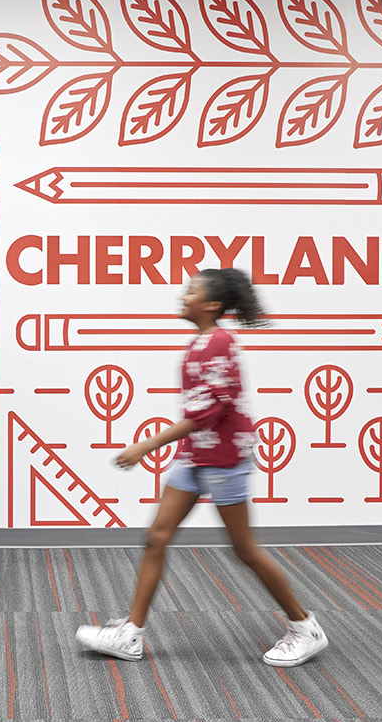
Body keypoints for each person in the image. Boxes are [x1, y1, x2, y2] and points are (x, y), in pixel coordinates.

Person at [75, 268, 328, 667]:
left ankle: (305, 627)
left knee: (243, 550)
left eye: (191, 291)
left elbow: (208, 413)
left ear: (211, 304)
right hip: (195, 456)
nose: (183, 296)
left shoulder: (220, 342)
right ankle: (131, 635)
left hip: (225, 459)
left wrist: (145, 445)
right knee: (157, 537)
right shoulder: (202, 342)